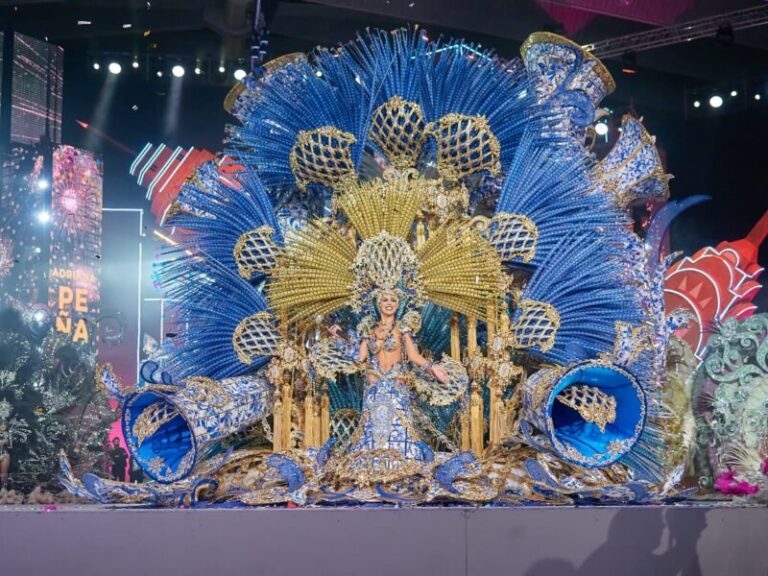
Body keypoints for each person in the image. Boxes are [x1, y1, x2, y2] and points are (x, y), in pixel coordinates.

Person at [330, 290, 449, 461]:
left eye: (393, 300)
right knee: (373, 433)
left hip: (396, 389)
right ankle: (371, 464)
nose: (389, 303)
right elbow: (360, 358)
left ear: (398, 304)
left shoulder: (402, 329)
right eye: (384, 299)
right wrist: (340, 338)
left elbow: (414, 357)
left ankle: (403, 463)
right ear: (378, 304)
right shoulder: (369, 330)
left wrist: (433, 367)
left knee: (399, 431)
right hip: (374, 391)